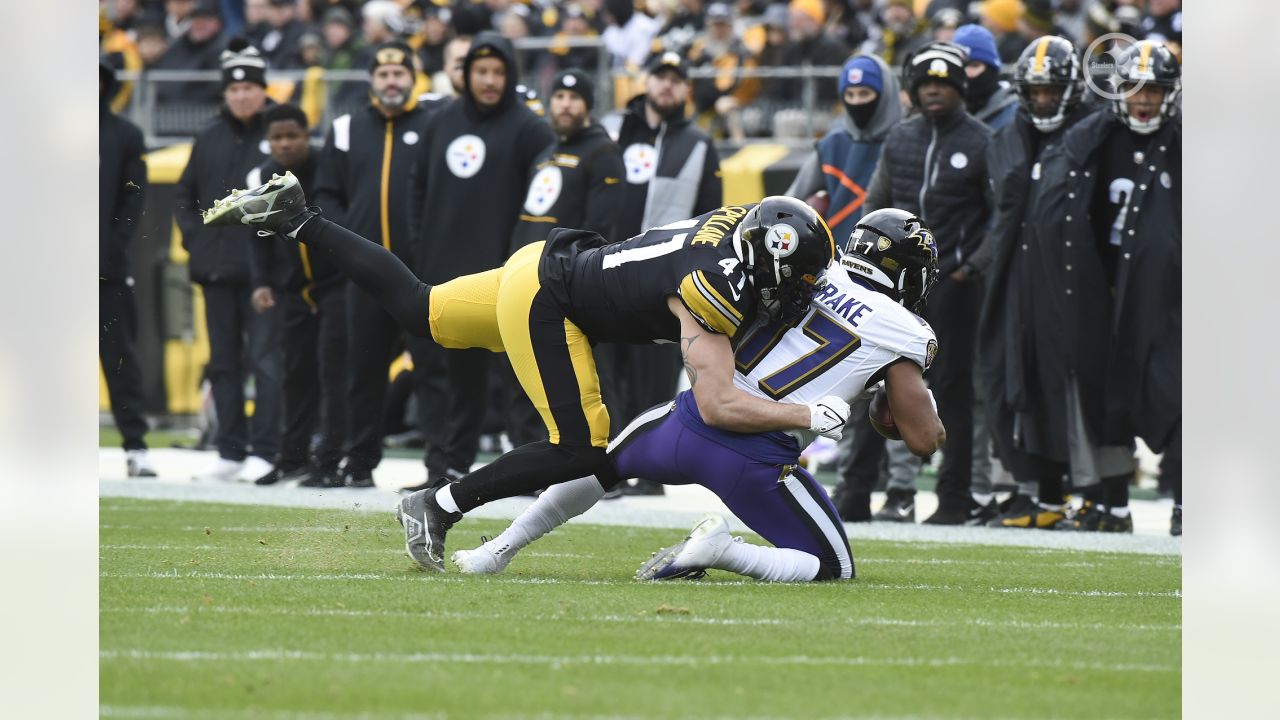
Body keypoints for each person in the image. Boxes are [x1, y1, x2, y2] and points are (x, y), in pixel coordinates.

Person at [205, 180, 846, 573]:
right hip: (553, 301)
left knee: (421, 308)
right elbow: (714, 402)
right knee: (581, 447)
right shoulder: (712, 287)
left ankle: (296, 217)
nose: (796, 295)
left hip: (543, 264)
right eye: (795, 282)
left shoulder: (743, 225)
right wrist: (809, 417)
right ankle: (438, 505)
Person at [453, 209, 944, 582]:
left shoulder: (802, 268)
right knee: (834, 565)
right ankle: (725, 551)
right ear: (908, 274)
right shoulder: (903, 331)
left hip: (684, 423)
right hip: (756, 456)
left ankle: (496, 549)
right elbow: (922, 439)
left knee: (597, 464)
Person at [1015, 39, 1182, 534]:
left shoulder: (1187, 141)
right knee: (1104, 397)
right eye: (1135, 88)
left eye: (1154, 90)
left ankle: (1186, 501)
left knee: (1176, 395)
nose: (1144, 100)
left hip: (1166, 294)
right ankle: (1113, 503)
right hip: (1099, 290)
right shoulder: (1093, 137)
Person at [839, 42, 993, 525]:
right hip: (893, 288)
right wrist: (864, 267)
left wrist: (971, 265)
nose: (933, 91)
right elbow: (875, 204)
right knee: (868, 378)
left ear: (960, 89)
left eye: (944, 83)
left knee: (954, 388)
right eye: (926, 83)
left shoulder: (983, 140)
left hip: (954, 287)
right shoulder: (900, 138)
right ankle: (856, 490)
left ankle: (954, 496)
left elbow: (999, 214)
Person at [401, 32, 557, 492]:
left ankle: (530, 471)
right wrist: (421, 248)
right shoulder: (440, 122)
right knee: (450, 379)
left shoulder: (532, 130)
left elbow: (543, 202)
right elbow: (417, 189)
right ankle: (443, 469)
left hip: (508, 281)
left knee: (519, 378)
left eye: (498, 73)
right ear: (466, 75)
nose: (489, 81)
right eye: (480, 72)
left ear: (510, 77)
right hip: (446, 278)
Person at [969, 36, 1094, 529]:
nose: (1043, 99)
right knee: (1004, 381)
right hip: (1007, 278)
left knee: (1065, 385)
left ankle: (1080, 492)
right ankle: (1029, 490)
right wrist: (975, 265)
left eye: (1051, 90)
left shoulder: (1089, 132)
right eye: (1036, 90)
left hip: (1071, 280)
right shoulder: (1002, 140)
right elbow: (992, 216)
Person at [311, 41, 435, 489]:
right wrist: (348, 243)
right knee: (361, 370)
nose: (391, 81)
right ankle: (359, 461)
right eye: (383, 75)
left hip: (420, 275)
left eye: (399, 73)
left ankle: (440, 466)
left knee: (432, 368)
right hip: (364, 277)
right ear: (371, 81)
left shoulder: (433, 123)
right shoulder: (345, 129)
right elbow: (326, 194)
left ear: (413, 78)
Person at [606, 51, 724, 493]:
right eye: (661, 77)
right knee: (606, 372)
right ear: (646, 80)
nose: (668, 86)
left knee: (653, 378)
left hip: (661, 279)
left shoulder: (698, 143)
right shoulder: (616, 130)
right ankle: (608, 468)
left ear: (687, 88)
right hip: (607, 269)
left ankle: (649, 473)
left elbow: (712, 219)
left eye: (677, 80)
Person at [175, 39, 283, 484]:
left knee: (266, 360)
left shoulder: (278, 132)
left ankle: (267, 449)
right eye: (234, 89)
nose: (241, 95)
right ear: (226, 92)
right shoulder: (209, 135)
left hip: (264, 275)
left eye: (250, 88)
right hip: (215, 270)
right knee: (223, 363)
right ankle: (231, 449)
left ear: (262, 89)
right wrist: (195, 241)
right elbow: (185, 196)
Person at [247, 104, 348, 487]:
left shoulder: (328, 167)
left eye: (292, 136)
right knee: (294, 375)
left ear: (308, 135)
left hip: (334, 284)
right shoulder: (261, 175)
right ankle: (291, 456)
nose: (285, 144)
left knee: (333, 373)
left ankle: (330, 460)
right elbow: (255, 234)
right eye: (277, 137)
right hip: (293, 290)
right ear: (268, 141)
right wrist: (261, 282)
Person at [100, 58, 156, 479]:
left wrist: (110, 250)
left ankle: (136, 446)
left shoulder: (125, 134)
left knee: (121, 359)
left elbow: (132, 201)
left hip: (106, 270)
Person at [786, 54, 902, 244]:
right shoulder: (832, 145)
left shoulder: (907, 141)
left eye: (865, 93)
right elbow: (792, 200)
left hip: (893, 257)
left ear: (884, 95)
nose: (856, 102)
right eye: (850, 94)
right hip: (838, 258)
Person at [953, 24, 1018, 131]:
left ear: (991, 68)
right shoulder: (948, 111)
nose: (967, 73)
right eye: (961, 65)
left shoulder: (1014, 112)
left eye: (975, 65)